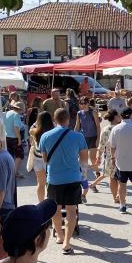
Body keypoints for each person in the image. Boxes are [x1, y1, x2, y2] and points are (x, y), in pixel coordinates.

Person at [39, 108, 88, 254]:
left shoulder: (45, 136)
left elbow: (45, 160)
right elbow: (84, 161)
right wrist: (84, 179)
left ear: (55, 120)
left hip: (54, 178)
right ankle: (67, 242)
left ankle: (59, 236)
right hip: (73, 178)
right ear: (68, 120)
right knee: (72, 210)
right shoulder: (78, 137)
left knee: (56, 209)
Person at [90, 110, 120, 202]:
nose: (120, 116)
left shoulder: (106, 129)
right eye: (118, 115)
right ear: (115, 117)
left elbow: (101, 145)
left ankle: (115, 197)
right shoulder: (120, 128)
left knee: (112, 178)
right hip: (122, 157)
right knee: (121, 179)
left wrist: (99, 158)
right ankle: (120, 196)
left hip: (110, 157)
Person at [30, 111, 55, 203]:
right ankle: (51, 204)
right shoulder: (53, 130)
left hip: (38, 159)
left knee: (40, 183)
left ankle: (41, 204)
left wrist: (37, 121)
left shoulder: (34, 131)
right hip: (50, 159)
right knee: (51, 183)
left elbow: (31, 129)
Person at [75, 97, 101, 168]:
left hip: (93, 137)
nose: (83, 105)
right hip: (83, 137)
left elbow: (98, 126)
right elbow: (77, 126)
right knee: (83, 158)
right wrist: (73, 137)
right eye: (81, 103)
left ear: (88, 103)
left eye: (84, 103)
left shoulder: (93, 112)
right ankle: (83, 176)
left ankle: (97, 171)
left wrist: (98, 139)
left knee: (92, 158)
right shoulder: (79, 113)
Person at [4, 104, 24, 176]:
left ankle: (12, 171)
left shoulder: (7, 113)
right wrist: (19, 139)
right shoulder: (16, 115)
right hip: (14, 138)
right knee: (19, 155)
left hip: (7, 137)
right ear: (20, 109)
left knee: (11, 156)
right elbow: (16, 128)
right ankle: (13, 173)